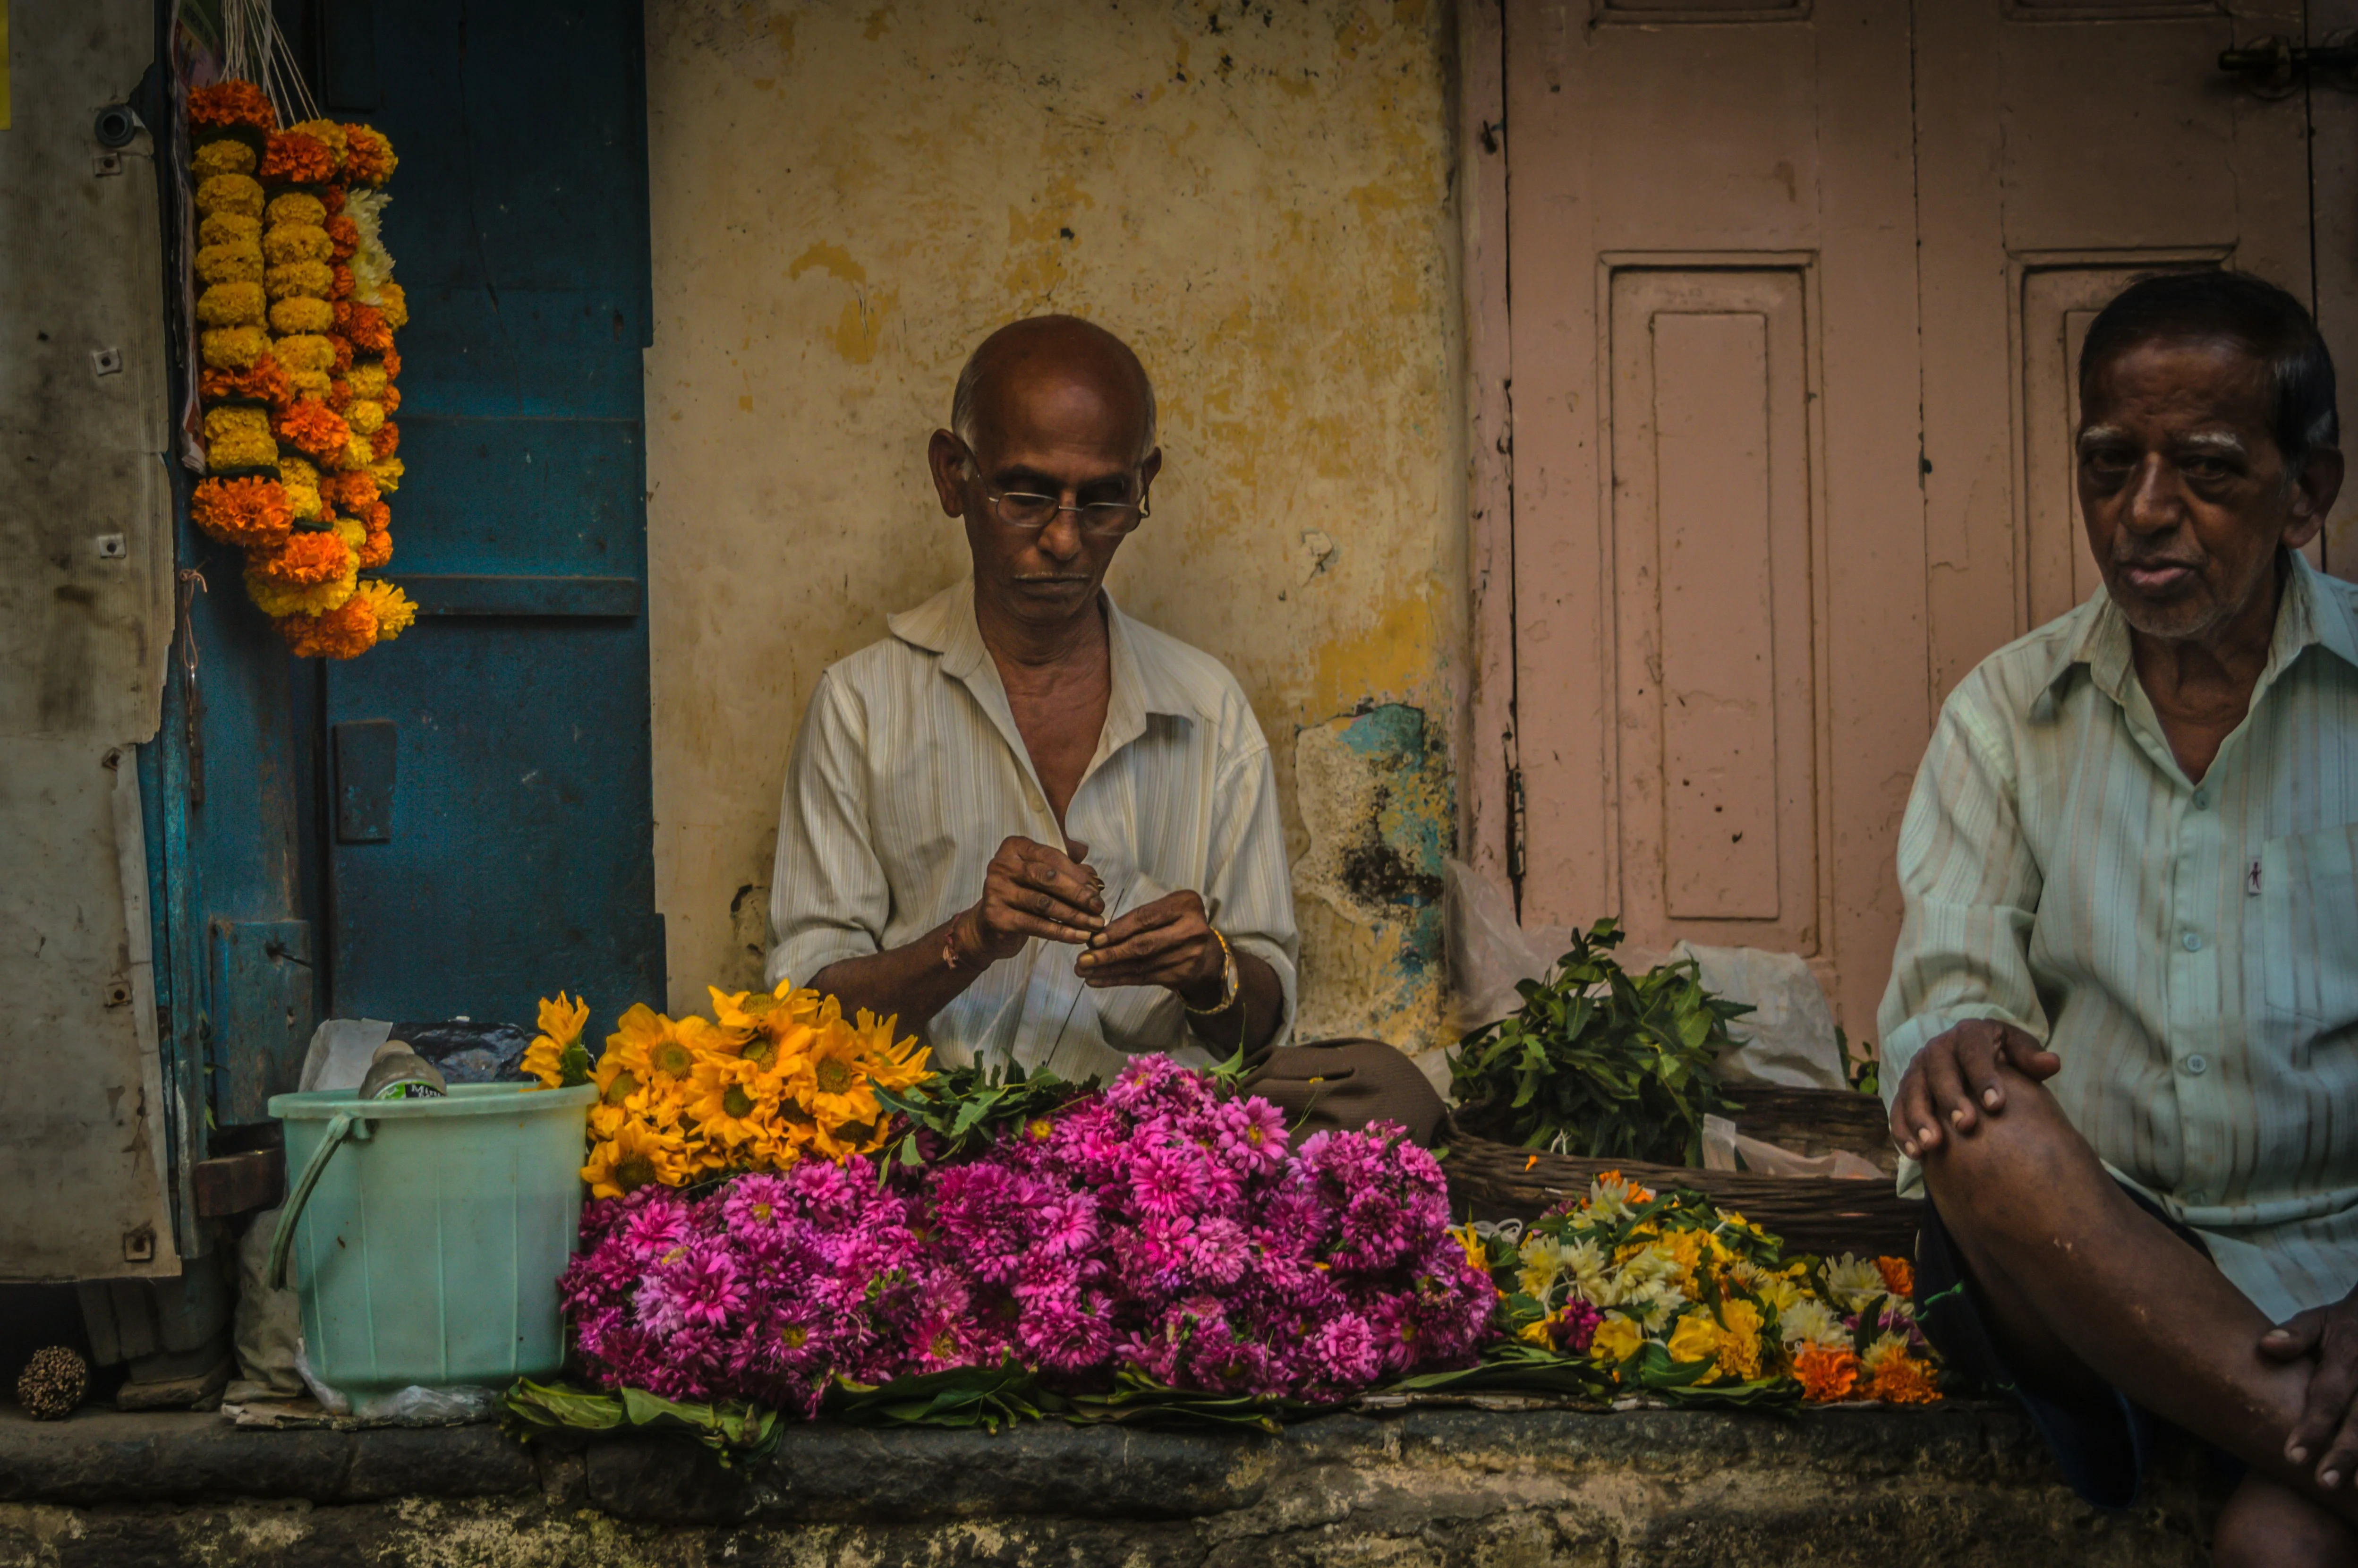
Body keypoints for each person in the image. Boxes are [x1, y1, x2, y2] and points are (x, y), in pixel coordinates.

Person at [1880, 271, 2358, 1563]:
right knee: (1974, 1122)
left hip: (2342, 1254)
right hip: (2098, 1264)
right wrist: (1959, 1031)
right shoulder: (2005, 712)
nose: (2145, 513)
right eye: (2109, 465)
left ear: (2307, 494)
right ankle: (2315, 1434)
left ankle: (2286, 1450)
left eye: (2207, 469)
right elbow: (1948, 981)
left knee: (2278, 1550)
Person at [767, 315, 1295, 1082]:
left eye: (1105, 501)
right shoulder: (863, 706)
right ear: (954, 476)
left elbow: (1267, 1019)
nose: (1064, 540)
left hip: (1154, 1179)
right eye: (1026, 495)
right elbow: (804, 1017)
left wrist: (1212, 973)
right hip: (925, 1169)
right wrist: (969, 942)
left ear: (1144, 485)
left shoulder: (1208, 711)